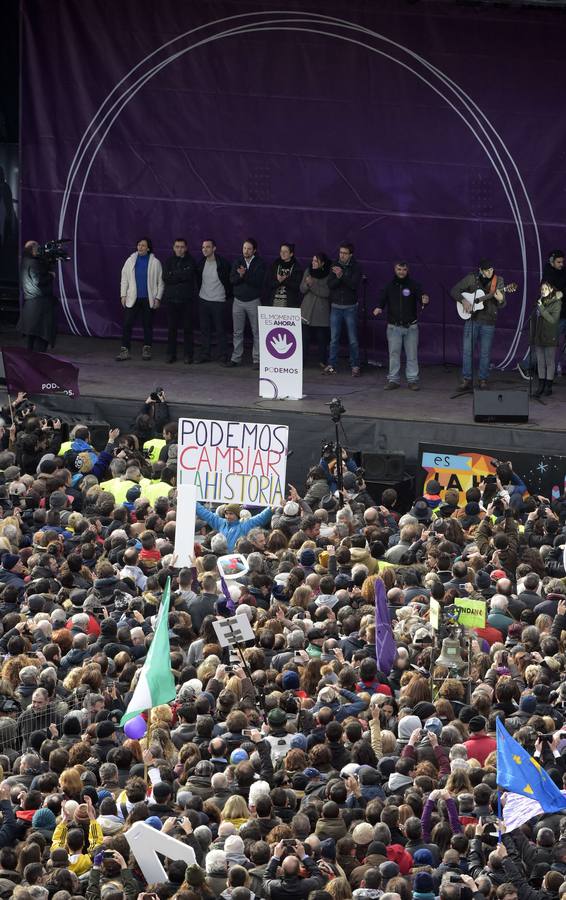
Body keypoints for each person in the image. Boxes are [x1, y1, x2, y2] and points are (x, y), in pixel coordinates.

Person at [373, 260, 429, 391]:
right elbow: (382, 300)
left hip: (411, 327)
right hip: (394, 327)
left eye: (403, 269)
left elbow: (422, 297)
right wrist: (379, 308)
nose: (401, 272)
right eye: (399, 269)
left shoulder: (414, 284)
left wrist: (424, 300)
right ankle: (393, 380)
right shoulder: (389, 286)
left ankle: (412, 380)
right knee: (394, 354)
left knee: (412, 354)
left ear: (407, 270)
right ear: (395, 270)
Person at [450, 258, 505, 390]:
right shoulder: (471, 278)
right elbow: (454, 291)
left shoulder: (499, 281)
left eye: (492, 269)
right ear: (480, 270)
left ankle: (483, 379)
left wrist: (501, 299)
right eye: (487, 270)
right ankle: (466, 379)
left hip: (489, 321)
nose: (490, 272)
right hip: (472, 319)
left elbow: (502, 304)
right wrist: (463, 300)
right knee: (468, 351)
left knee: (485, 352)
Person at [116, 237, 163, 362]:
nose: (140, 247)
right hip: (133, 298)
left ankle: (147, 349)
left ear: (148, 248)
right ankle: (125, 350)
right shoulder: (130, 261)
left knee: (147, 325)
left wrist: (158, 298)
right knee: (127, 324)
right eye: (139, 245)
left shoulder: (155, 262)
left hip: (148, 299)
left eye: (143, 245)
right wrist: (123, 295)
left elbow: (160, 282)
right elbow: (124, 279)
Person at [323, 242, 363, 377]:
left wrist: (341, 276)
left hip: (350, 307)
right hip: (336, 306)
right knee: (334, 338)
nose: (342, 255)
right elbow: (330, 284)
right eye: (340, 252)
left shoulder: (356, 267)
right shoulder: (334, 265)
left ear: (351, 254)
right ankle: (332, 364)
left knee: (352, 339)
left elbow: (353, 285)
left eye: (345, 253)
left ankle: (355, 365)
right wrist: (339, 277)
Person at [227, 238, 266, 369]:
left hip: (253, 301)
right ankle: (236, 358)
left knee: (257, 332)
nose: (246, 251)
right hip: (238, 301)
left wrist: (245, 275)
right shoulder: (237, 261)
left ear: (254, 250)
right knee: (237, 332)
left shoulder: (260, 263)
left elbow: (258, 281)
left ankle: (257, 359)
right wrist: (240, 276)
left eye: (249, 249)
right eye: (244, 248)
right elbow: (232, 280)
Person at [162, 237, 197, 365]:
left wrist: (174, 275)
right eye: (177, 246)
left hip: (186, 300)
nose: (179, 249)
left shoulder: (191, 261)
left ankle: (188, 355)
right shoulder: (168, 261)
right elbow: (166, 277)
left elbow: (188, 276)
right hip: (171, 300)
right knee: (172, 328)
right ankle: (171, 354)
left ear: (186, 248)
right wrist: (179, 274)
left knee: (188, 329)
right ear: (173, 248)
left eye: (182, 247)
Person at [196, 238, 232, 364]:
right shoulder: (200, 263)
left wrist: (226, 297)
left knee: (220, 330)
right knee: (205, 330)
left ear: (214, 248)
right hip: (203, 301)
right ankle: (205, 354)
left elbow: (229, 282)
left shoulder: (223, 264)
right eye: (203, 247)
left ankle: (223, 355)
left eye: (208, 247)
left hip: (219, 302)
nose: (205, 249)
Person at [18, 240, 57, 351]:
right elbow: (38, 281)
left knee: (32, 335)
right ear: (33, 249)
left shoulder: (25, 261)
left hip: (31, 303)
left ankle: (31, 360)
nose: (39, 250)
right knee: (40, 336)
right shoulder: (33, 263)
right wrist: (51, 276)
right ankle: (37, 360)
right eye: (37, 248)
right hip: (39, 304)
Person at [300, 252, 331, 367]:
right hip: (306, 310)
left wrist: (312, 285)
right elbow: (302, 289)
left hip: (321, 311)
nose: (313, 263)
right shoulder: (308, 271)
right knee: (304, 338)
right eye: (312, 260)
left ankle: (323, 361)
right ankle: (301, 361)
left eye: (316, 261)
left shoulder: (328, 274)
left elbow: (326, 292)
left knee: (322, 339)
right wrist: (307, 285)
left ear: (322, 263)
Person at [531, 281, 562, 397]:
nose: (543, 291)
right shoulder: (540, 302)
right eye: (541, 289)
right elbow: (535, 319)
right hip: (539, 336)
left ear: (551, 289)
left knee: (549, 362)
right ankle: (541, 385)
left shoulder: (556, 303)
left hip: (550, 335)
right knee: (540, 362)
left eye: (545, 289)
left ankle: (548, 386)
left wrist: (541, 308)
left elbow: (552, 319)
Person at [542, 250, 566, 375]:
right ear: (552, 262)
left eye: (562, 262)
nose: (561, 264)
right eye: (559, 262)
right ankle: (526, 365)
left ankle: (559, 367)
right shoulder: (548, 275)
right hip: (555, 316)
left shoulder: (563, 273)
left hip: (564, 314)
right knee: (547, 344)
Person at [266, 243, 303, 308]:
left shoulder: (297, 267)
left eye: (285, 252)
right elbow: (269, 283)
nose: (282, 253)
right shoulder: (275, 265)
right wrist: (278, 281)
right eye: (281, 251)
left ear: (291, 254)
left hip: (289, 304)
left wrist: (284, 280)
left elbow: (297, 286)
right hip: (274, 302)